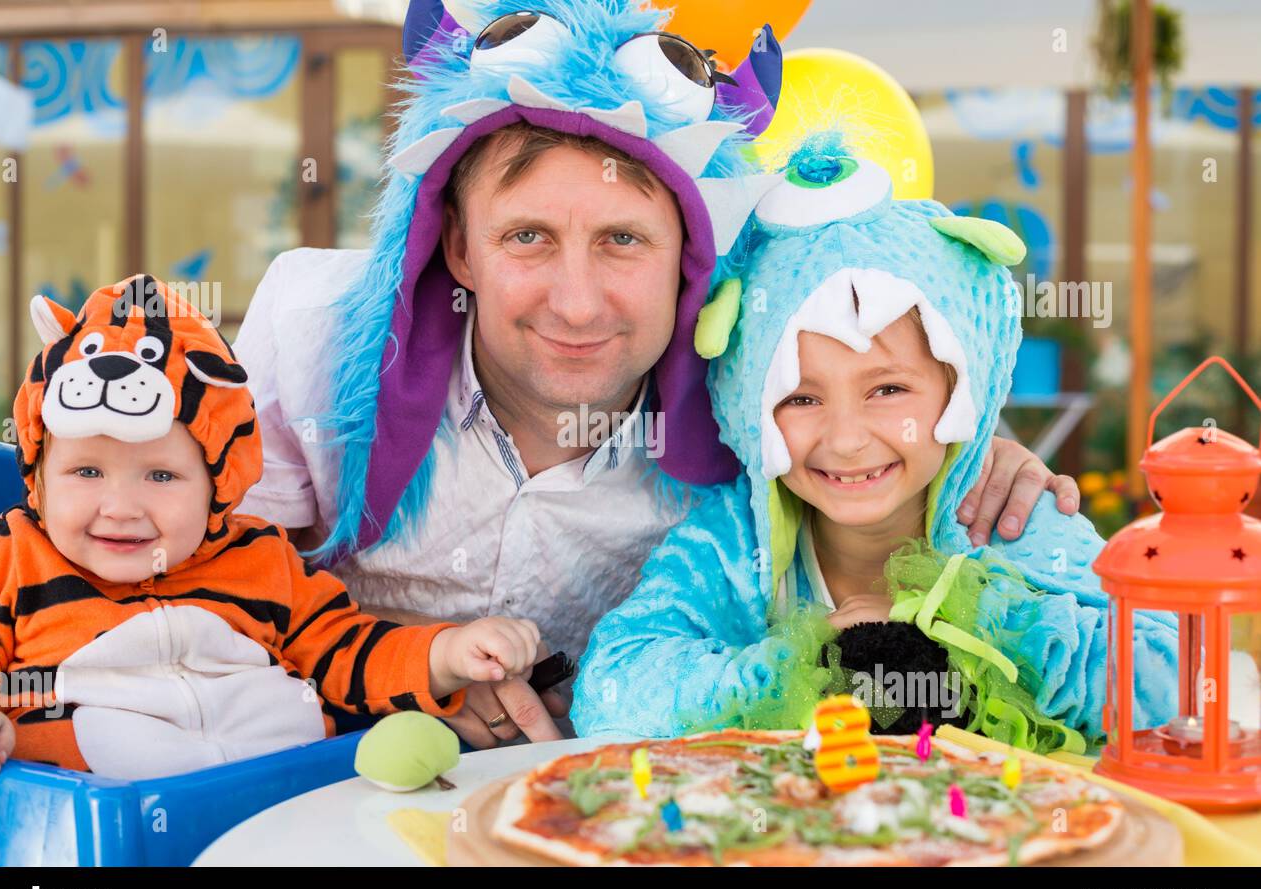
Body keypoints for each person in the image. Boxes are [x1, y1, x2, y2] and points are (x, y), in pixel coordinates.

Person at [234, 0, 1081, 748]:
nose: (575, 304)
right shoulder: (315, 332)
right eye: (527, 237)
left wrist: (981, 457)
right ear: (457, 244)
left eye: (623, 240)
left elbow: (871, 389)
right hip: (316, 764)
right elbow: (190, 582)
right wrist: (405, 661)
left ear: (691, 257)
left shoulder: (753, 405)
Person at [571, 134, 1177, 743]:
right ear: (748, 413)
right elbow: (610, 693)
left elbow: (1169, 674)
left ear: (960, 389)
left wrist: (952, 628)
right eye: (801, 399)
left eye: (887, 391)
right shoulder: (732, 543)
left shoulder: (1010, 518)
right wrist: (803, 660)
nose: (847, 440)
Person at [0, 276, 540, 800]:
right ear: (37, 475)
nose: (120, 508)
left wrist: (445, 653)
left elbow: (346, 652)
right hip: (102, 824)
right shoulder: (13, 559)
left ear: (218, 482)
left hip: (284, 809)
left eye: (161, 476)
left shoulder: (259, 559)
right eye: (86, 472)